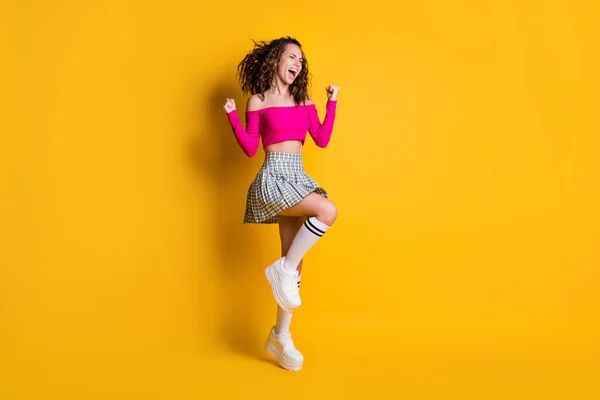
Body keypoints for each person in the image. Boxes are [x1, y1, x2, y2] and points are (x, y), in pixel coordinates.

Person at [222, 36, 339, 371]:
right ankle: (282, 270)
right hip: (273, 177)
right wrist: (232, 116)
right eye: (292, 58)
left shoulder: (302, 99)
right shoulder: (257, 100)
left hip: (298, 176)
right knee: (326, 211)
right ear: (275, 60)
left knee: (296, 265)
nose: (297, 65)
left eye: (301, 61)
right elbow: (248, 147)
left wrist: (331, 103)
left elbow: (321, 138)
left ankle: (280, 336)